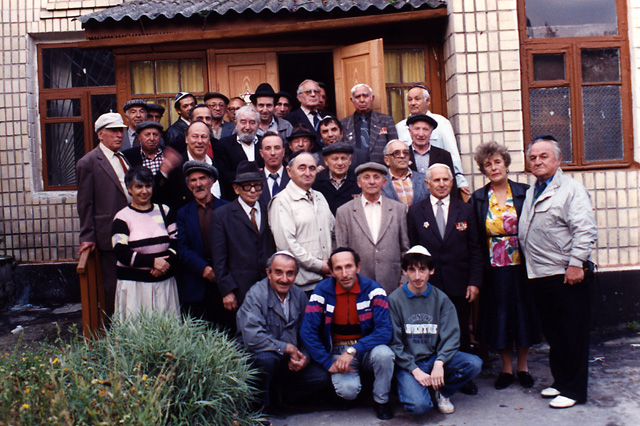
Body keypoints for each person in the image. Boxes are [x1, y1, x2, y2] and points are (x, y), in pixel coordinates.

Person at [518, 135, 597, 409]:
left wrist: (577, 263)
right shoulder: (532, 191)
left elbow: (585, 230)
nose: (538, 161)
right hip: (540, 275)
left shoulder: (571, 190)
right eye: (533, 157)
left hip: (566, 274)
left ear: (558, 160)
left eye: (544, 156)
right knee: (555, 334)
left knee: (572, 334)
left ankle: (574, 390)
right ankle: (561, 382)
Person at [407, 163, 483, 395]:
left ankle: (461, 375)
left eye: (445, 180)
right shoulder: (416, 211)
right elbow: (412, 248)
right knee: (431, 330)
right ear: (427, 184)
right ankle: (431, 373)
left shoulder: (466, 210)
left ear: (452, 182)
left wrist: (474, 281)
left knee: (458, 328)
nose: (441, 184)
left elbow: (475, 249)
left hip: (459, 283)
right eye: (436, 180)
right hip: (428, 284)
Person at [470, 141, 541, 390]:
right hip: (493, 269)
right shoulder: (478, 199)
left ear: (506, 164)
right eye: (488, 164)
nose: (494, 167)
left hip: (522, 266)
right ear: (483, 169)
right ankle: (506, 369)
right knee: (500, 316)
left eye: (497, 162)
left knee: (522, 315)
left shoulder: (525, 192)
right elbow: (475, 241)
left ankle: (523, 368)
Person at [300, 248, 395, 420]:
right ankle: (357, 388)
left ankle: (381, 401)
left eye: (349, 266)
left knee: (384, 354)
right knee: (348, 391)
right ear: (332, 271)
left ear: (358, 267)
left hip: (365, 349)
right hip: (336, 351)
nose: (345, 273)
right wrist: (327, 362)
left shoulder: (374, 289)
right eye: (338, 268)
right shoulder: (322, 290)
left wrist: (353, 350)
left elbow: (384, 331)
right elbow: (307, 331)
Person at [388, 246, 482, 415]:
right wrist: (414, 370)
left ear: (431, 271)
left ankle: (443, 392)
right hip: (410, 363)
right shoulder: (395, 300)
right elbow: (394, 342)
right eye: (412, 270)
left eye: (422, 269)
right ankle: (410, 388)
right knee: (419, 408)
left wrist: (440, 362)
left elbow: (451, 337)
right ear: (405, 271)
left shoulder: (441, 299)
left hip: (434, 358)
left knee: (473, 364)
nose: (417, 276)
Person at [236, 251, 330, 409]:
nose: (284, 279)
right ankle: (261, 409)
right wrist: (287, 348)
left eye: (290, 274)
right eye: (278, 273)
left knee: (321, 376)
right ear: (269, 273)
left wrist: (305, 357)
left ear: (296, 275)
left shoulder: (300, 296)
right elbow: (252, 338)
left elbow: (310, 334)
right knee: (266, 360)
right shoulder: (256, 294)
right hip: (261, 357)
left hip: (288, 363)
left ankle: (281, 396)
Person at [77, 112, 131, 317]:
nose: (119, 135)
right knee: (112, 286)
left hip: (132, 230)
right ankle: (114, 331)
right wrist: (87, 236)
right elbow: (85, 203)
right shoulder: (88, 162)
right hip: (107, 234)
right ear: (100, 134)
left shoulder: (123, 157)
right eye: (114, 131)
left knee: (130, 284)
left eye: (121, 131)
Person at [211, 161, 276, 331]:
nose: (253, 190)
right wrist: (227, 291)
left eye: (257, 185)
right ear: (236, 189)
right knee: (244, 335)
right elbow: (219, 259)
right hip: (240, 290)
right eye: (247, 186)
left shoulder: (270, 209)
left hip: (269, 286)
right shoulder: (222, 215)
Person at [111, 166, 180, 321]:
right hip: (135, 289)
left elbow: (176, 242)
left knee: (166, 334)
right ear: (129, 189)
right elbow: (121, 252)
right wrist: (153, 263)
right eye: (138, 187)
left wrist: (164, 266)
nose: (144, 191)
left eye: (148, 186)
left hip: (164, 285)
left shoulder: (164, 211)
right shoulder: (122, 217)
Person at [335, 162, 409, 295]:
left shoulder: (398, 209)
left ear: (384, 182)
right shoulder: (344, 211)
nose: (371, 182)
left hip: (392, 283)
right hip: (358, 282)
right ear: (359, 182)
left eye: (376, 177)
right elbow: (341, 251)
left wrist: (404, 279)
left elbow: (405, 248)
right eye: (366, 177)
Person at [268, 151, 333, 293]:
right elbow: (287, 246)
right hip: (302, 287)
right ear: (289, 171)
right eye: (302, 168)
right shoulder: (281, 202)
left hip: (328, 281)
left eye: (312, 168)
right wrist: (320, 266)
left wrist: (334, 264)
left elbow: (333, 232)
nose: (308, 172)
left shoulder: (320, 197)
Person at [175, 161, 229, 325]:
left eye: (202, 178)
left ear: (212, 182)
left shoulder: (227, 208)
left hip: (223, 283)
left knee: (226, 333)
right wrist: (203, 268)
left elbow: (234, 246)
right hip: (195, 283)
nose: (198, 184)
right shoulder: (183, 213)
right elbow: (182, 248)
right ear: (188, 185)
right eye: (193, 180)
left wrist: (220, 272)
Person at [395, 84, 469, 194]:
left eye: (417, 99)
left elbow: (452, 153)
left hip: (438, 183)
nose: (413, 103)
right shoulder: (400, 127)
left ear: (427, 100)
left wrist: (459, 179)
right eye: (410, 99)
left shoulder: (442, 122)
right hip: (411, 187)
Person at [405, 114, 460, 198]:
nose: (421, 134)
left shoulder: (444, 155)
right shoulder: (403, 155)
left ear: (431, 133)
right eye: (417, 129)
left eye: (425, 129)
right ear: (410, 131)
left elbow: (452, 187)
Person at [341, 83, 398, 164]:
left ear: (372, 98)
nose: (362, 100)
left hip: (381, 170)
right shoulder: (344, 124)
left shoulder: (386, 121)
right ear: (352, 100)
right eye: (357, 97)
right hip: (353, 171)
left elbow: (395, 147)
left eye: (365, 96)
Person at [216, 105, 264, 200]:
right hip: (234, 200)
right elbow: (223, 173)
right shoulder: (224, 144)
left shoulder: (265, 143)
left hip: (263, 199)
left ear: (258, 125)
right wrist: (251, 174)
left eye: (252, 122)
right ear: (236, 123)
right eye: (243, 122)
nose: (247, 127)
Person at [312, 142, 361, 215]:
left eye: (343, 158)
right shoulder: (315, 182)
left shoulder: (359, 181)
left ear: (350, 160)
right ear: (326, 161)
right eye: (335, 159)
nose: (340, 163)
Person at [381, 140, 429, 206]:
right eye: (396, 153)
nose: (402, 156)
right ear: (387, 160)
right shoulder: (380, 182)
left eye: (406, 152)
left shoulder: (425, 179)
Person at [285, 79, 328, 147]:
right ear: (299, 97)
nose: (313, 94)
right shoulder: (291, 119)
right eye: (308, 92)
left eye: (316, 91)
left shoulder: (328, 116)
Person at [258, 132, 289, 206]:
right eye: (268, 148)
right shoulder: (256, 180)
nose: (272, 153)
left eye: (277, 148)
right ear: (261, 153)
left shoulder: (293, 178)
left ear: (283, 152)